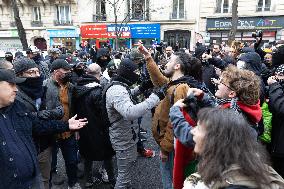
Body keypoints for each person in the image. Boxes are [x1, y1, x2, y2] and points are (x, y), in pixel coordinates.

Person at [0, 68, 87, 189]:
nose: (15, 89)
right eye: (11, 85)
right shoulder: (22, 99)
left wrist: (66, 125)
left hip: (33, 176)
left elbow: (37, 125)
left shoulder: (16, 107)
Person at [138, 45, 200, 189]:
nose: (166, 63)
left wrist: (165, 149)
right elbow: (159, 80)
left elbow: (176, 122)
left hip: (172, 146)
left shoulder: (181, 88)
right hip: (168, 144)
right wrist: (148, 57)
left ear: (177, 66)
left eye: (170, 60)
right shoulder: (174, 84)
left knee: (171, 181)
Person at [183, 108, 284, 188]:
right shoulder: (229, 167)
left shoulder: (236, 184)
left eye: (199, 128)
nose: (192, 131)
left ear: (216, 139)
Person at [105, 58, 165, 188]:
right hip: (122, 139)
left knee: (125, 172)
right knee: (123, 175)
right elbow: (130, 112)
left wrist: (142, 87)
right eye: (135, 72)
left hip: (125, 136)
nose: (137, 75)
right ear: (128, 73)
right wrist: (155, 97)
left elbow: (126, 96)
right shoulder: (116, 91)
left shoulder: (118, 85)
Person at [14, 58, 64, 189]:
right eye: (31, 72)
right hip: (24, 147)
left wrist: (50, 113)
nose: (37, 75)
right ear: (19, 75)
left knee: (45, 179)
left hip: (45, 146)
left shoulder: (46, 89)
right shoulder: (14, 94)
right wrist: (37, 115)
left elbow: (60, 110)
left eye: (37, 71)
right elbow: (16, 118)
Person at [74, 63, 115, 188]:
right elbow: (103, 113)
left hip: (83, 127)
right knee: (107, 154)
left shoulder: (77, 86)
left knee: (87, 154)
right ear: (99, 74)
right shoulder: (97, 91)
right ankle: (111, 179)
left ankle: (88, 180)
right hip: (99, 129)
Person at [45, 59, 81, 189]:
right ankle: (51, 177)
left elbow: (75, 108)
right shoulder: (45, 86)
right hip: (51, 130)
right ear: (56, 72)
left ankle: (73, 182)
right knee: (50, 159)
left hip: (69, 129)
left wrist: (77, 129)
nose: (69, 73)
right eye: (66, 72)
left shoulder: (71, 87)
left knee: (71, 160)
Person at [267, 64, 284, 178]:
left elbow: (281, 108)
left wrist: (274, 86)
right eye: (276, 74)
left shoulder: (277, 88)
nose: (277, 77)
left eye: (281, 75)